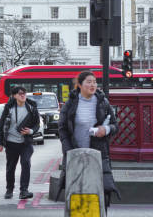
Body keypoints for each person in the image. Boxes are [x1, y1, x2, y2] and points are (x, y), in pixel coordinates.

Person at [58, 71, 120, 207]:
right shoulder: (70, 104)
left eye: (94, 82)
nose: (93, 85)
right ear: (80, 85)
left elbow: (115, 125)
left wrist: (106, 129)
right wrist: (69, 151)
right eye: (89, 82)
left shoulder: (103, 102)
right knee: (77, 191)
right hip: (75, 154)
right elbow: (62, 129)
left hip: (98, 154)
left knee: (100, 192)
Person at [0, 86, 40, 200]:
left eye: (24, 93)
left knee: (26, 163)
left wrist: (30, 131)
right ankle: (9, 189)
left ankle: (24, 190)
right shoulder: (9, 108)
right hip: (11, 142)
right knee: (11, 167)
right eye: (20, 93)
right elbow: (1, 125)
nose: (23, 95)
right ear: (14, 96)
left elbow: (37, 124)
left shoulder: (31, 107)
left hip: (26, 142)